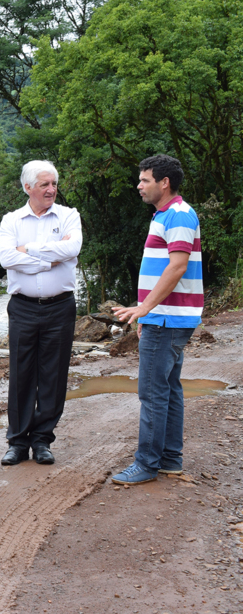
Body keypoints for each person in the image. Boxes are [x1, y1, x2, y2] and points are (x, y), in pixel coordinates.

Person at [111, 154, 203, 486]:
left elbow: (177, 266)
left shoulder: (177, 214)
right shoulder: (165, 214)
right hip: (165, 318)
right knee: (168, 389)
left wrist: (144, 307)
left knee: (152, 392)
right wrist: (144, 312)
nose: (139, 185)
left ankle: (146, 464)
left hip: (166, 319)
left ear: (164, 183)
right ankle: (170, 460)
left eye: (145, 180)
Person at [0, 160, 82, 466]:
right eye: (44, 184)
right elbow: (6, 257)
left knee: (53, 374)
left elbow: (72, 249)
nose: (51, 189)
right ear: (27, 187)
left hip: (60, 306)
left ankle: (43, 439)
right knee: (21, 374)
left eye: (54, 184)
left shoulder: (69, 216)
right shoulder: (11, 220)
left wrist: (27, 250)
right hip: (23, 307)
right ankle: (17, 442)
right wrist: (48, 257)